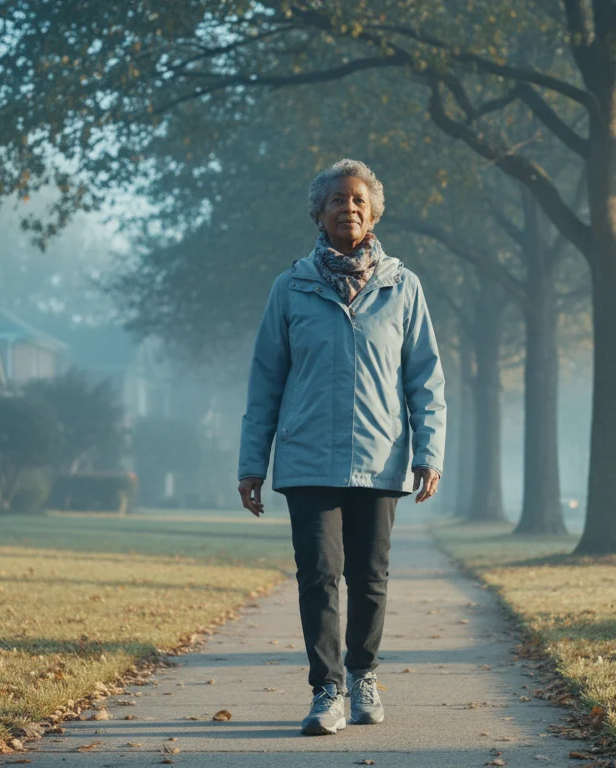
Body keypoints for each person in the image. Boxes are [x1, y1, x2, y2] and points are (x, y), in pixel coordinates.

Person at [237, 158, 446, 736]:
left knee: (370, 577)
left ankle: (363, 676)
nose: (348, 208)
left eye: (358, 200)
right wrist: (253, 463)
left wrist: (429, 453)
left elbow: (425, 379)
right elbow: (265, 380)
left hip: (380, 458)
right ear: (318, 213)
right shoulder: (290, 287)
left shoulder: (403, 287)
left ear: (373, 213)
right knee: (318, 575)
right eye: (336, 199)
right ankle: (326, 690)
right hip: (306, 459)